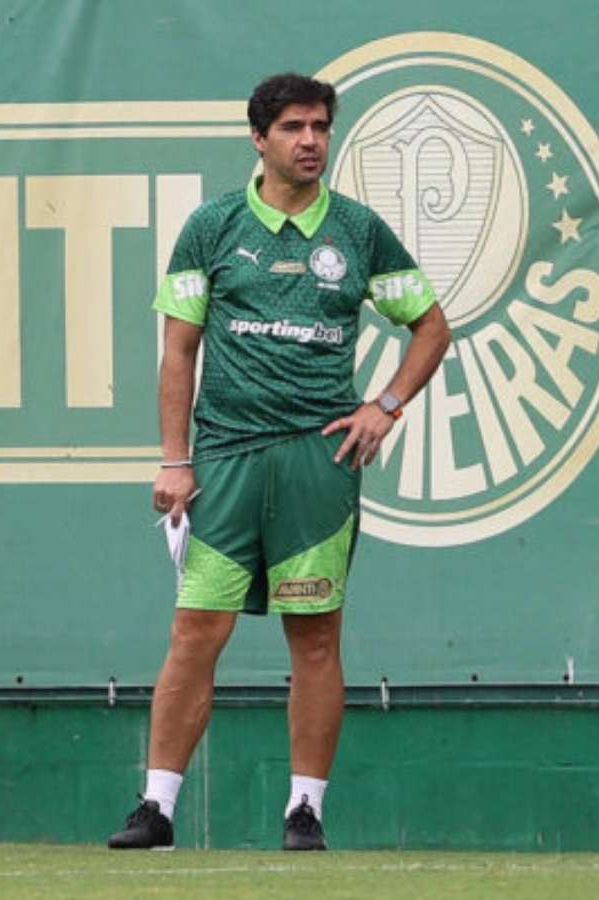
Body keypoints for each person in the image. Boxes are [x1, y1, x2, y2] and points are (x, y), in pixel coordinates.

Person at [108, 73, 450, 851]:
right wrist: (174, 460)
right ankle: (156, 808)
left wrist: (385, 404)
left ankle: (305, 811)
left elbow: (432, 327)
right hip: (224, 461)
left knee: (315, 637)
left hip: (317, 462)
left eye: (320, 127)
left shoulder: (358, 230)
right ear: (258, 138)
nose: (310, 141)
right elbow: (178, 351)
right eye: (293, 127)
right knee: (196, 631)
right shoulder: (212, 226)